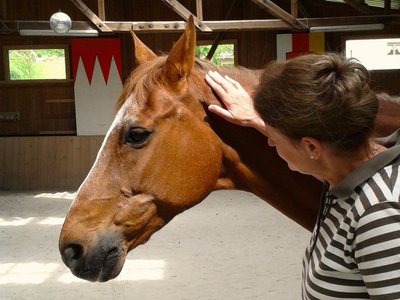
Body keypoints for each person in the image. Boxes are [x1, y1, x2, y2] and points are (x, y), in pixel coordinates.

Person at [205, 53, 400, 299]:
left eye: (274, 138)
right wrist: (257, 120)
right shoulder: (343, 176)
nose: (269, 142)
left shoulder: (379, 215)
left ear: (311, 147)